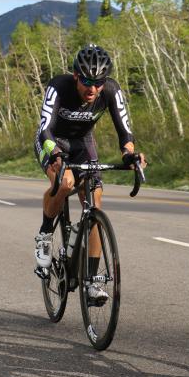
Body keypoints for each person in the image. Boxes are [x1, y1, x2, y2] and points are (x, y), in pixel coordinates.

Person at [34, 44, 142, 305]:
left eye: (98, 82)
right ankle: (45, 234)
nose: (92, 88)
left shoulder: (112, 90)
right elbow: (45, 129)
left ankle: (93, 281)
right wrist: (55, 154)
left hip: (83, 143)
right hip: (52, 141)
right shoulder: (59, 86)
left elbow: (125, 132)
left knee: (94, 199)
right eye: (86, 81)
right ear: (75, 76)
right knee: (65, 182)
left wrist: (129, 154)